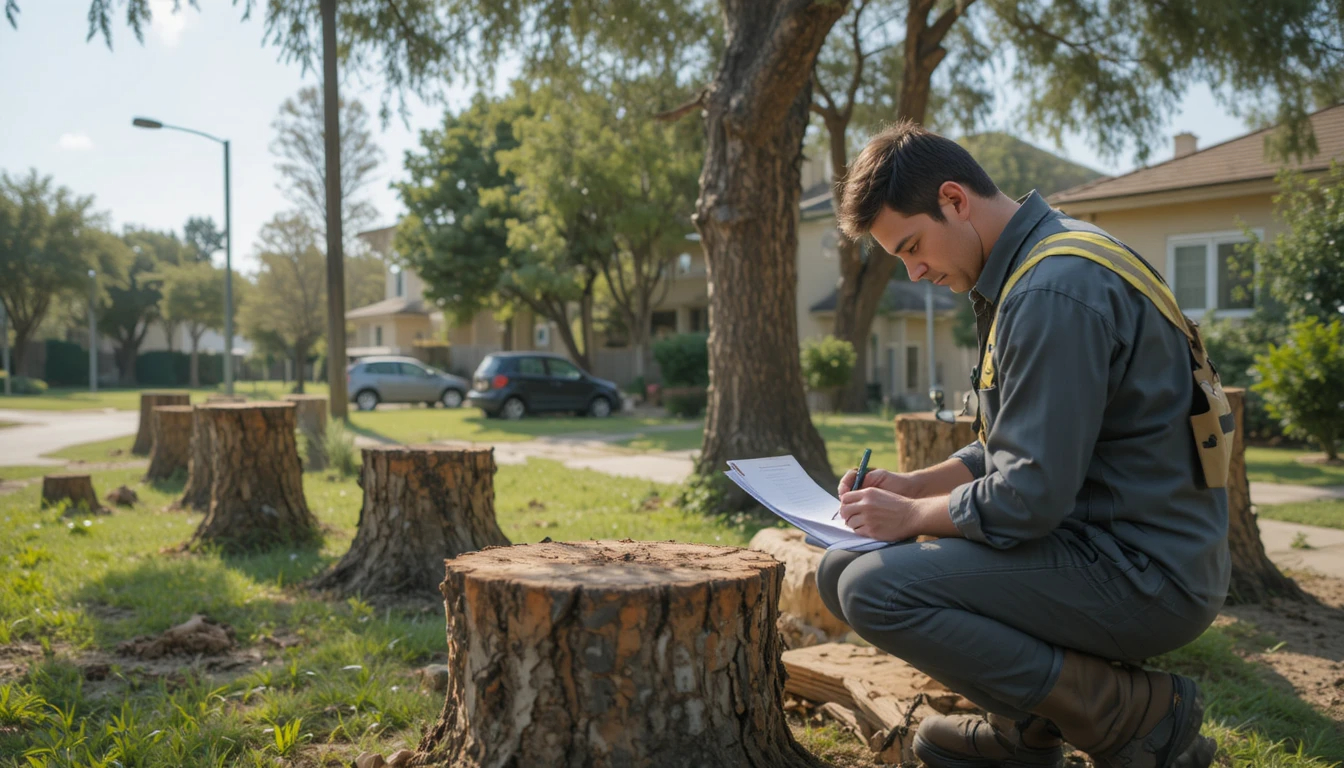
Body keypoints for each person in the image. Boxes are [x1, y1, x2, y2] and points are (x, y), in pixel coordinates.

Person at [819, 121, 1230, 768]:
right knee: (839, 569)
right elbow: (1013, 446)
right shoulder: (1042, 263)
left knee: (875, 589)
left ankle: (1129, 714)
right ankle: (1029, 733)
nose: (915, 270)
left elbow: (1029, 495)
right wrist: (912, 487)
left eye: (913, 246)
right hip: (1113, 545)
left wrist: (911, 519)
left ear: (954, 200)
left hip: (1145, 573)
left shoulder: (1050, 290)